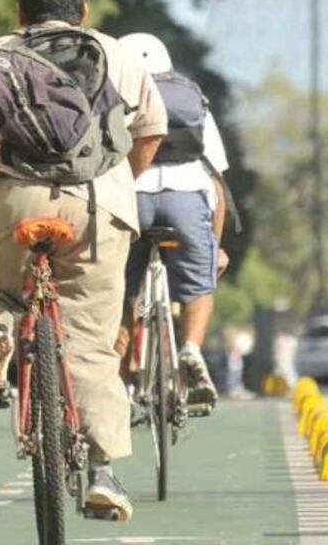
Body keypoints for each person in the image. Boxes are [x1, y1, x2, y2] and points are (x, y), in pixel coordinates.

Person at [0, 0, 167, 520]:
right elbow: (152, 132)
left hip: (13, 195)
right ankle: (102, 474)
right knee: (91, 341)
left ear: (19, 10)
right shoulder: (118, 54)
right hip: (99, 203)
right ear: (84, 10)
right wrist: (118, 185)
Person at [116, 32, 235, 412]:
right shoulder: (191, 98)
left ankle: (117, 382)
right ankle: (191, 350)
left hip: (130, 198)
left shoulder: (111, 99)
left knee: (119, 293)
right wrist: (214, 247)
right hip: (187, 197)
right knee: (200, 285)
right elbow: (216, 182)